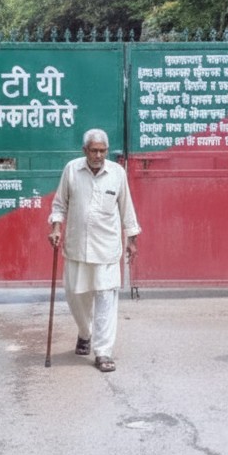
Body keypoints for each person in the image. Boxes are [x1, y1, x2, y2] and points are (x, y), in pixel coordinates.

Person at [47, 128, 140, 373]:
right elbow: (59, 204)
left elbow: (126, 208)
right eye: (94, 150)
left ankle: (103, 351)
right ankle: (84, 333)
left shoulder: (117, 173)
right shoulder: (72, 170)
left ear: (107, 151)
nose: (98, 155)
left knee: (106, 299)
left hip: (107, 248)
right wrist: (56, 227)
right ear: (84, 150)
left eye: (102, 151)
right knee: (77, 298)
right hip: (77, 246)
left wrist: (132, 239)